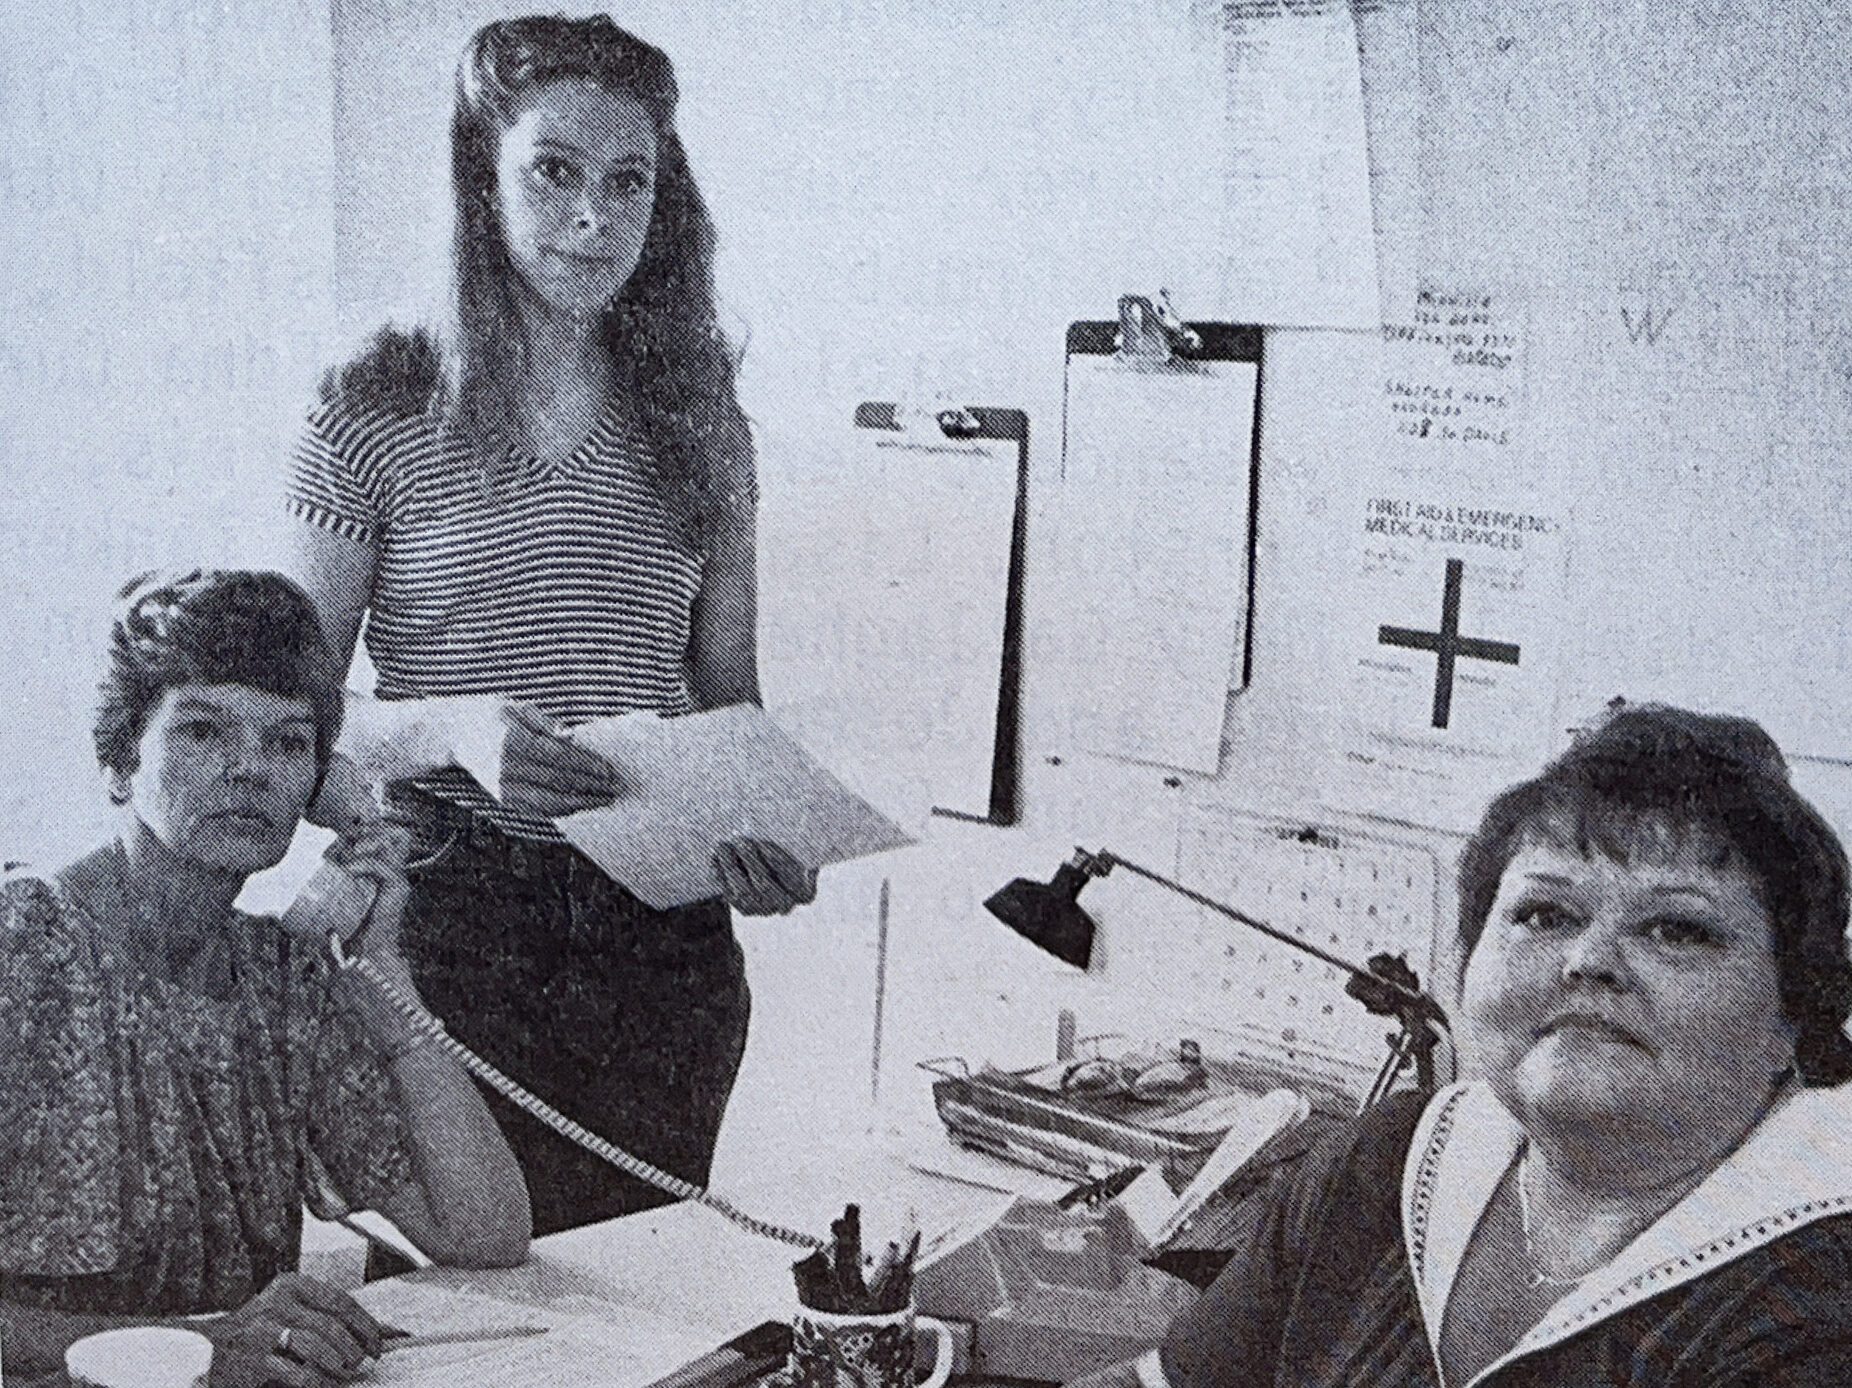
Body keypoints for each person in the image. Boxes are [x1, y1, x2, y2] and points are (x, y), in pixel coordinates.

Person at [283, 14, 814, 1236]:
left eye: (629, 179)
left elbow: (726, 697)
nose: (594, 217)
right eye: (554, 171)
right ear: (482, 176)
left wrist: (761, 837)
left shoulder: (702, 417)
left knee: (641, 1296)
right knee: (483, 1294)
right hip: (458, 921)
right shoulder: (375, 399)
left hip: (663, 936)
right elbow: (290, 725)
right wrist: (451, 731)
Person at [1069, 703, 1852, 1387]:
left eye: (1678, 928)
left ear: (1797, 1014)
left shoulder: (1824, 1294)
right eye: (1546, 915)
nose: (1590, 960)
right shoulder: (1390, 1159)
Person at [0, 570, 531, 1388]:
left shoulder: (280, 976)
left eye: (287, 743)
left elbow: (484, 1232)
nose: (250, 768)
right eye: (205, 730)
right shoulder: (20, 943)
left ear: (317, 786)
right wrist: (204, 1345)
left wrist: (383, 971)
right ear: (117, 763)